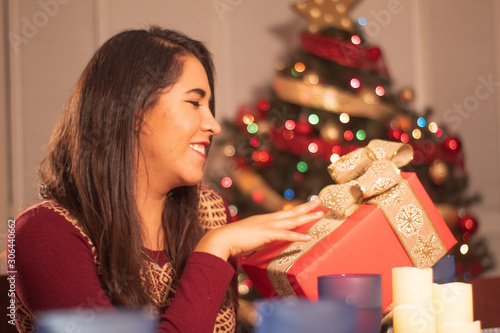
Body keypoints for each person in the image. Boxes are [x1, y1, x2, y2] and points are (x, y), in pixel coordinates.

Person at [12, 26, 324, 332]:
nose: (214, 125)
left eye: (209, 106)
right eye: (194, 102)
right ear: (132, 110)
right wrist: (213, 250)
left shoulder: (209, 210)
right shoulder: (44, 234)